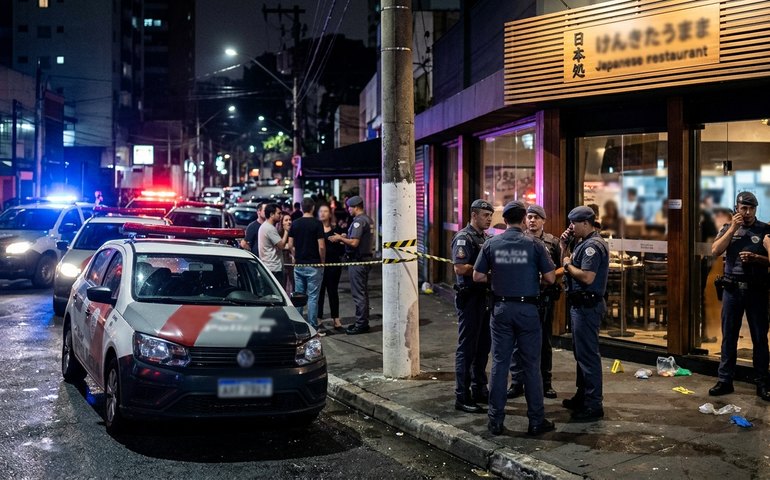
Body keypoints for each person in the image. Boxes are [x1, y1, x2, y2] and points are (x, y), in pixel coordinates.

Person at [473, 200, 556, 436]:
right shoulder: (535, 244)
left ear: (505, 220)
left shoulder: (492, 243)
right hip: (528, 310)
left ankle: (495, 421)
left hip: (500, 309)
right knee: (531, 365)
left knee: (500, 364)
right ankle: (536, 421)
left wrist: (497, 278)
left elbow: (478, 277)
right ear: (522, 220)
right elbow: (550, 278)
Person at [710, 192, 770, 401]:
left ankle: (762, 382)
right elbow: (716, 250)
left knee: (759, 338)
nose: (746, 212)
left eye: (750, 208)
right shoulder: (728, 228)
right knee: (729, 336)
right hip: (732, 290)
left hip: (756, 290)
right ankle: (725, 380)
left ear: (756, 209)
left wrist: (756, 258)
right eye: (743, 208)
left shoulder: (765, 230)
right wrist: (733, 229)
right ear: (736, 208)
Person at [560, 206, 610, 421]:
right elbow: (567, 260)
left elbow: (587, 277)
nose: (571, 228)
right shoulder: (582, 242)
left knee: (588, 355)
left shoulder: (592, 246)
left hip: (587, 307)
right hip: (580, 306)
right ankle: (583, 395)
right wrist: (564, 246)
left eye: (574, 224)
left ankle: (593, 404)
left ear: (585, 223)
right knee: (581, 354)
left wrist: (568, 265)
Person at [508, 204, 562, 400]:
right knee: (517, 342)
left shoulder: (553, 243)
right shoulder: (518, 240)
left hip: (544, 297)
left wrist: (546, 276)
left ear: (543, 220)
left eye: (536, 217)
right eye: (529, 217)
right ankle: (517, 382)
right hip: (523, 297)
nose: (532, 220)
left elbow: (562, 268)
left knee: (544, 342)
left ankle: (545, 383)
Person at [451, 199, 494, 413]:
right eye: (485, 215)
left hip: (484, 298)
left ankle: (479, 389)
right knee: (467, 348)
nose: (489, 219)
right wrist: (485, 274)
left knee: (483, 347)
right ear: (474, 215)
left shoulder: (484, 238)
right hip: (470, 298)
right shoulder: (463, 238)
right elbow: (460, 268)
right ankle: (462, 395)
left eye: (490, 215)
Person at [330, 195, 373, 335]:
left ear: (356, 207)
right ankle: (363, 322)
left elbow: (354, 243)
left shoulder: (359, 222)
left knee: (358, 294)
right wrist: (344, 238)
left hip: (358, 261)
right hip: (364, 260)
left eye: (349, 207)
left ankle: (361, 324)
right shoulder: (367, 219)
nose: (348, 209)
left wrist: (340, 238)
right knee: (363, 293)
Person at [287, 197, 326, 333]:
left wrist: (294, 255)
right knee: (313, 297)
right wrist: (322, 261)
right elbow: (321, 246)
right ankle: (312, 327)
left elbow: (291, 245)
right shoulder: (317, 224)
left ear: (302, 208)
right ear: (313, 208)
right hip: (314, 265)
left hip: (299, 265)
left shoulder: (295, 223)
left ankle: (298, 326)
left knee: (298, 296)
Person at [318, 204, 345, 331]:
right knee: (320, 292)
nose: (323, 213)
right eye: (321, 211)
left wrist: (341, 239)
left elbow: (342, 249)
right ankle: (318, 318)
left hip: (333, 265)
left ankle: (336, 318)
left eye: (325, 211)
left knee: (333, 292)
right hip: (319, 265)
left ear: (330, 214)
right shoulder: (316, 229)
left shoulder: (336, 229)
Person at [258, 203, 289, 286]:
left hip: (268, 267)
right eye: (279, 213)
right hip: (273, 268)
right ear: (271, 214)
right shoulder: (270, 228)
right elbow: (281, 245)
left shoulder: (265, 226)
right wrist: (286, 231)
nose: (281, 216)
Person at [279, 212, 295, 294]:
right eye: (286, 220)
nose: (289, 222)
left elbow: (293, 247)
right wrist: (286, 231)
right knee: (283, 285)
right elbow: (281, 245)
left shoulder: (295, 232)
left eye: (290, 220)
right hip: (283, 263)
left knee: (293, 285)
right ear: (282, 223)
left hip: (292, 263)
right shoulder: (279, 233)